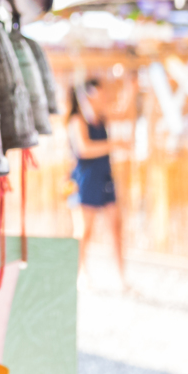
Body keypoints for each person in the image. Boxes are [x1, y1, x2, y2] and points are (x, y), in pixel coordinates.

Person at [68, 79, 128, 289]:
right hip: (85, 180)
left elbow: (124, 111)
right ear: (88, 96)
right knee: (84, 230)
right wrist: (112, 144)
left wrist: (131, 85)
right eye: (99, 95)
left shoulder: (101, 118)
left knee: (116, 227)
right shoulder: (77, 121)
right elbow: (84, 149)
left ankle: (121, 277)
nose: (103, 99)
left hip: (104, 177)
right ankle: (80, 272)